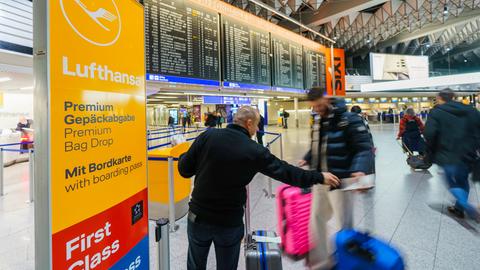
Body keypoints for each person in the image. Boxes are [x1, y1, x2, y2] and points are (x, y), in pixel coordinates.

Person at [178, 106, 340, 270]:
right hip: (229, 222)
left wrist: (186, 156)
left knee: (195, 265)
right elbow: (286, 172)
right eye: (256, 125)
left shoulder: (208, 136)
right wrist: (319, 177)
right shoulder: (254, 150)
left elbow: (184, 170)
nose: (257, 129)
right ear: (248, 123)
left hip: (198, 217)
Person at [299, 87, 374, 269]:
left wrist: (359, 169)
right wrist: (308, 157)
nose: (316, 110)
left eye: (318, 106)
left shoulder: (349, 119)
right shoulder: (318, 121)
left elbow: (364, 147)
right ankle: (321, 261)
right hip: (321, 179)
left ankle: (345, 259)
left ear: (327, 98)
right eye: (313, 107)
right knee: (316, 220)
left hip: (341, 181)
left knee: (344, 225)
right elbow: (319, 146)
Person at [424, 89, 480, 221]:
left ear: (439, 98)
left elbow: (429, 134)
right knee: (463, 181)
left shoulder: (436, 112)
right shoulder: (471, 110)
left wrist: (430, 151)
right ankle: (458, 209)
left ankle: (467, 206)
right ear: (454, 97)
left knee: (452, 182)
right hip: (468, 154)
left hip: (446, 154)